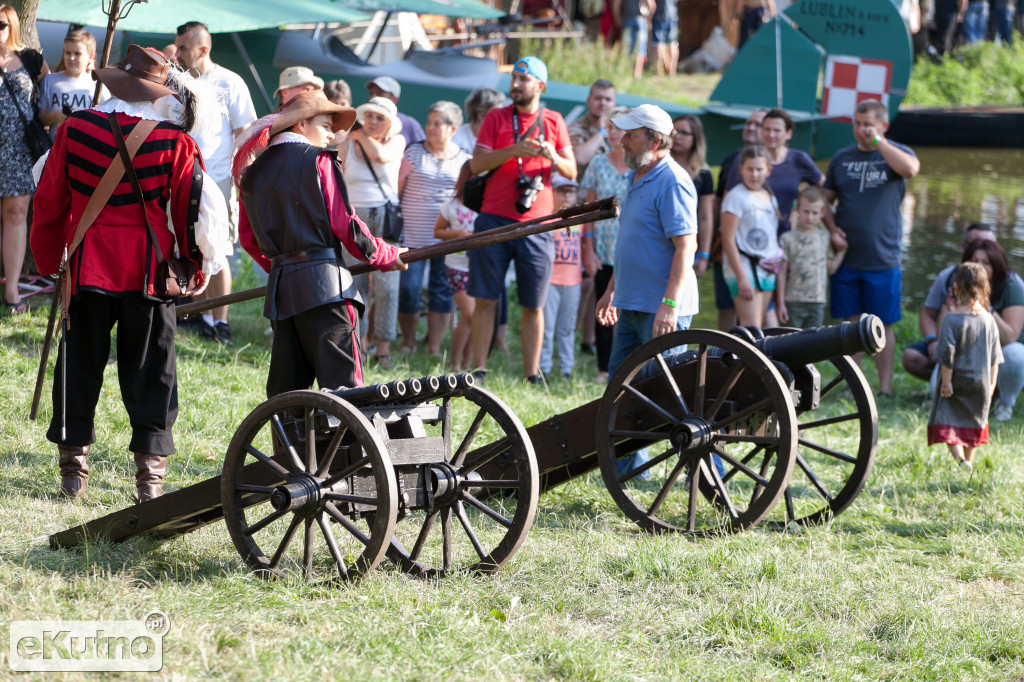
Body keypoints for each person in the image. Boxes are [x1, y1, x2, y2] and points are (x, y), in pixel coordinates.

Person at [31, 45, 229, 501]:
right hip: (150, 270)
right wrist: (194, 269)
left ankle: (73, 468)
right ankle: (149, 478)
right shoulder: (176, 143)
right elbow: (189, 215)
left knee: (78, 364)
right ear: (158, 93)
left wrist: (50, 263)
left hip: (86, 265)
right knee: (152, 371)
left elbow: (48, 203)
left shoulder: (74, 130)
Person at [234, 91, 407, 397]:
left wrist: (287, 269)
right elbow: (346, 224)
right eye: (326, 125)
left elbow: (249, 240)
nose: (332, 134)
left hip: (282, 291)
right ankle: (344, 448)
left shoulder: (251, 174)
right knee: (346, 391)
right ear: (301, 124)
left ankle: (289, 447)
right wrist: (384, 254)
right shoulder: (319, 161)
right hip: (327, 289)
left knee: (287, 396)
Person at [596, 104, 698, 475]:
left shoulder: (673, 180)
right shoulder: (637, 177)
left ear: (655, 141)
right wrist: (611, 292)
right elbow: (631, 245)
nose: (622, 140)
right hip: (631, 303)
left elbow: (686, 248)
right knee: (621, 389)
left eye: (631, 135)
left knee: (665, 393)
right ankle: (625, 469)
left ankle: (688, 469)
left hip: (662, 308)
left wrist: (670, 304)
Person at [469, 56, 576, 383]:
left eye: (523, 79)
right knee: (486, 299)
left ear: (540, 86)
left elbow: (572, 171)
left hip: (537, 224)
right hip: (493, 218)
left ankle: (531, 374)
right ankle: (479, 370)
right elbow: (477, 165)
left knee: (534, 304)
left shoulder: (555, 121)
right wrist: (515, 150)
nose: (515, 84)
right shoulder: (496, 117)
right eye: (514, 78)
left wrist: (552, 156)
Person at [163, 21, 257, 345]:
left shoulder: (230, 83)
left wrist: (241, 179)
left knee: (219, 251)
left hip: (217, 181)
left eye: (184, 47)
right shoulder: (176, 81)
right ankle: (197, 316)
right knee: (186, 247)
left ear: (203, 49)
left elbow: (246, 134)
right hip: (181, 177)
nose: (177, 53)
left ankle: (221, 323)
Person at [823, 99, 920, 397]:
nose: (861, 130)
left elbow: (911, 170)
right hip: (847, 258)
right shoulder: (841, 158)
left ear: (883, 126)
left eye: (868, 124)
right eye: (857, 123)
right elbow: (824, 199)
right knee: (850, 324)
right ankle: (852, 386)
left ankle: (885, 387)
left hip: (883, 257)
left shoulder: (896, 154)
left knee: (883, 324)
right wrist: (831, 228)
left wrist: (879, 143)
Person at [397, 100, 470, 355]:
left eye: (437, 123)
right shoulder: (412, 152)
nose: (430, 127)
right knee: (408, 290)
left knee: (442, 292)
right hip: (411, 237)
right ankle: (408, 342)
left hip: (446, 240)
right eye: (429, 122)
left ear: (453, 128)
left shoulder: (465, 159)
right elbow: (398, 192)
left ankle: (434, 348)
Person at [338, 96, 406, 368]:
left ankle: (384, 349)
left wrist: (357, 134)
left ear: (390, 123)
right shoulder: (348, 144)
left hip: (386, 218)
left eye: (380, 118)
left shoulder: (397, 141)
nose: (373, 122)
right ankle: (360, 344)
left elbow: (381, 155)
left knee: (389, 285)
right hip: (355, 219)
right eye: (369, 117)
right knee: (357, 283)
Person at [902, 223, 1003, 382]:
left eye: (987, 258)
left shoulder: (1011, 283)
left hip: (992, 354)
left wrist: (985, 309)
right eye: (976, 257)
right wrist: (932, 340)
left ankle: (1000, 397)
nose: (980, 264)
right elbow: (939, 327)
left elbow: (1000, 347)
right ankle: (945, 384)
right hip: (954, 350)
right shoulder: (950, 278)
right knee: (914, 357)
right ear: (965, 248)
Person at [927, 262, 1003, 472]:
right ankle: (969, 460)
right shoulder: (989, 321)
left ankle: (960, 461)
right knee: (975, 421)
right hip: (981, 382)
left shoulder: (951, 319)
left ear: (956, 287)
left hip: (956, 380)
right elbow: (994, 358)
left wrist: (947, 382)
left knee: (947, 420)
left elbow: (947, 353)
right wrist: (991, 384)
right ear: (984, 287)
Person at [0, 4, 49, 315]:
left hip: (19, 149)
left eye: (1, 24)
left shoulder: (30, 59)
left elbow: (55, 91)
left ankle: (12, 288)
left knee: (16, 214)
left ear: (12, 26)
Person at [581, 105, 630, 384]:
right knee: (603, 306)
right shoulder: (598, 164)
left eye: (619, 127)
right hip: (603, 247)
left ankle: (625, 366)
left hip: (629, 249)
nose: (613, 133)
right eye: (609, 127)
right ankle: (603, 368)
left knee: (627, 310)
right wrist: (587, 247)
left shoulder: (638, 166)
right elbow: (589, 209)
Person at [722, 109, 824, 236]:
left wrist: (803, 209)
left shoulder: (799, 159)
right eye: (767, 129)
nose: (771, 135)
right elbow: (727, 199)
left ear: (788, 133)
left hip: (783, 238)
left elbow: (825, 188)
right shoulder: (746, 158)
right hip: (747, 238)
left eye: (777, 131)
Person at [713, 109, 765, 331]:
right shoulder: (732, 158)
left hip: (761, 252)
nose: (751, 127)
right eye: (749, 123)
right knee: (726, 306)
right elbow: (718, 201)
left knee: (759, 316)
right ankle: (722, 355)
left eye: (758, 124)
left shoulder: (784, 161)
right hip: (727, 243)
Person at [721, 145, 780, 328]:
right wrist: (741, 277)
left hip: (767, 267)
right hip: (744, 267)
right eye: (750, 169)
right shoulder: (736, 197)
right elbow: (728, 239)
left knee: (760, 325)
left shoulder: (769, 196)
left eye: (759, 169)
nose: (754, 174)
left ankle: (751, 357)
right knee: (751, 326)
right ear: (741, 170)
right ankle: (743, 357)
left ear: (768, 171)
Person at [776, 186, 847, 328]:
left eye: (815, 213)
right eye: (806, 212)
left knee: (814, 344)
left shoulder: (825, 237)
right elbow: (781, 273)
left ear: (822, 213)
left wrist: (842, 251)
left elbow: (831, 269)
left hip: (817, 301)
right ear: (797, 210)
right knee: (790, 341)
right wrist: (781, 303)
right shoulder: (787, 239)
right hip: (793, 301)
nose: (810, 217)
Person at [434, 161, 478, 371]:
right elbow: (438, 232)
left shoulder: (487, 204)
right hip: (457, 266)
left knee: (476, 318)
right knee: (469, 315)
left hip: (479, 266)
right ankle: (454, 363)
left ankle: (467, 365)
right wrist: (457, 234)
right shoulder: (451, 206)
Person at [540, 173, 583, 380]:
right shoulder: (547, 217)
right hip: (550, 280)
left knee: (567, 327)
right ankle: (543, 367)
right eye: (561, 191)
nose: (566, 196)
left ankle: (567, 368)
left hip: (573, 280)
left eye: (571, 191)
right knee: (547, 327)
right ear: (553, 193)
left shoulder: (581, 220)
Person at [38, 30, 109, 141]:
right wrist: (55, 115)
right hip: (55, 148)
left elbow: (108, 121)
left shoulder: (98, 85)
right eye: (68, 52)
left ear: (90, 57)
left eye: (77, 54)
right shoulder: (50, 81)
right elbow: (40, 117)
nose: (71, 58)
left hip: (86, 148)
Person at [670, 114, 714, 279]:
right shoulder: (660, 166)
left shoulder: (703, 173)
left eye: (683, 132)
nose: (677, 137)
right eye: (673, 132)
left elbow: (705, 217)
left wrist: (704, 255)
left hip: (688, 242)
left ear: (695, 138)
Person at [568, 79, 616, 175]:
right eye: (598, 98)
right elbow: (580, 158)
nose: (603, 103)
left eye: (608, 99)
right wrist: (600, 132)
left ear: (614, 103)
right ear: (588, 101)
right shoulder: (576, 128)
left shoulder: (620, 130)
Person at [366, 76, 425, 145]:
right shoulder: (362, 121)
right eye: (371, 93)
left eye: (379, 94)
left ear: (394, 99)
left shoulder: (410, 124)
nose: (373, 97)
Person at [452, 87, 505, 154]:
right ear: (481, 116)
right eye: (497, 115)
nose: (502, 118)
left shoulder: (503, 140)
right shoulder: (455, 138)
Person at [612, 0, 655, 78]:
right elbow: (652, 5)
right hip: (641, 20)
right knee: (640, 49)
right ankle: (637, 75)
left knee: (627, 48)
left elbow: (616, 5)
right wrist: (648, 19)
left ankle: (627, 73)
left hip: (627, 19)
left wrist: (617, 18)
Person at [651, 0, 679, 76]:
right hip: (673, 16)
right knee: (673, 44)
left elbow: (651, 3)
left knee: (658, 44)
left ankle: (658, 72)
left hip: (659, 15)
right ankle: (672, 72)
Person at [324, 79, 352, 147]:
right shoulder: (316, 128)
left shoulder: (358, 130)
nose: (340, 108)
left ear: (350, 104)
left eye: (343, 104)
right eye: (335, 104)